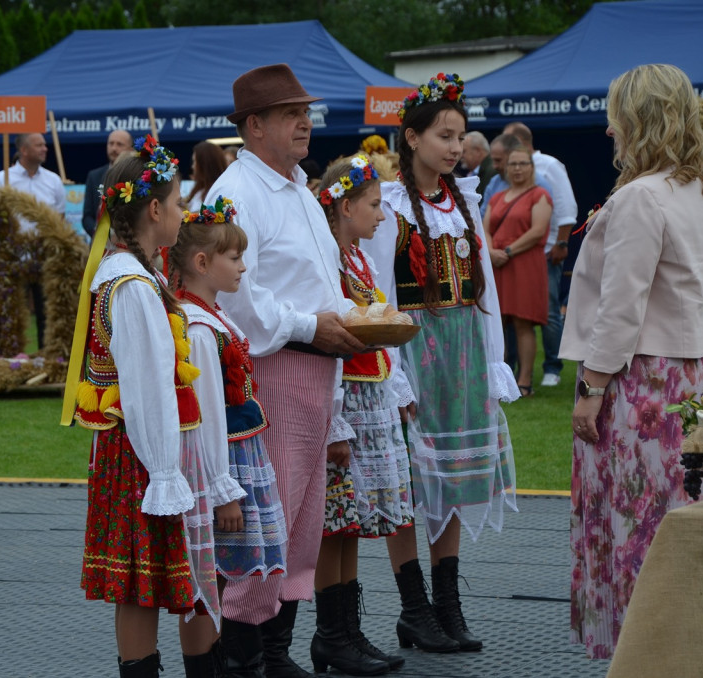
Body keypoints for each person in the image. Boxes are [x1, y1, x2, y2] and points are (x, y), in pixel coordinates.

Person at [560, 63, 703, 660]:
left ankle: (643, 654)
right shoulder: (696, 193)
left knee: (638, 526)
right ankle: (679, 647)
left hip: (643, 383)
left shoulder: (639, 197)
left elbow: (621, 304)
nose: (609, 131)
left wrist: (593, 384)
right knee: (678, 521)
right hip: (691, 378)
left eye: (616, 118)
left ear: (638, 119)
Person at [208, 63, 365, 677]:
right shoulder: (236, 193)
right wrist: (313, 326)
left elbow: (316, 285)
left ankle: (275, 656)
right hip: (269, 371)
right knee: (261, 524)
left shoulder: (299, 187)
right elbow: (236, 297)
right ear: (253, 127)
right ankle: (243, 661)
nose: (306, 122)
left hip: (314, 371)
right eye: (289, 113)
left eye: (306, 111)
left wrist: (361, 317)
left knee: (298, 525)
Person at [360, 73, 519, 655]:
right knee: (409, 479)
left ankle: (448, 604)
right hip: (413, 349)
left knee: (448, 477)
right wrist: (393, 373)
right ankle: (414, 607)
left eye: (460, 136)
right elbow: (377, 293)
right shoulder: (392, 205)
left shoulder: (464, 199)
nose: (455, 147)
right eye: (445, 136)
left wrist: (493, 358)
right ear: (412, 137)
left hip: (462, 351)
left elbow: (487, 291)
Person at [62, 137, 202, 677]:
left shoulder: (125, 273)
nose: (183, 211)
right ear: (153, 209)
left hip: (131, 450)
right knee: (140, 585)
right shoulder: (134, 287)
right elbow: (146, 388)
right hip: (141, 456)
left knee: (137, 584)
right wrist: (165, 471)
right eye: (178, 202)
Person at [168, 196, 289, 677]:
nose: (243, 266)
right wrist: (222, 491)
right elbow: (204, 417)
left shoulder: (211, 317)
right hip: (222, 464)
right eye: (234, 258)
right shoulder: (197, 327)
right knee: (209, 573)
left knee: (217, 573)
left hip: (238, 458)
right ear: (202, 262)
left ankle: (225, 663)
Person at [311, 154, 411, 676]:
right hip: (343, 395)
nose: (380, 215)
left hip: (368, 393)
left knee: (352, 520)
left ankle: (347, 631)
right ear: (345, 205)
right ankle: (332, 633)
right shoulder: (328, 256)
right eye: (373, 205)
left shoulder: (357, 257)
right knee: (336, 518)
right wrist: (336, 421)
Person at [503, 121, 578, 388]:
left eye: (509, 140)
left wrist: (561, 242)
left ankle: (553, 366)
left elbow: (567, 207)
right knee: (515, 314)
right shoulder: (507, 170)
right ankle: (511, 369)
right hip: (514, 257)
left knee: (548, 312)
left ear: (522, 141)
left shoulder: (549, 165)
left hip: (546, 252)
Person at [484, 147, 552, 396]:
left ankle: (524, 381)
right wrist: (490, 253)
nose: (517, 168)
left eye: (523, 163)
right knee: (496, 323)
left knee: (524, 323)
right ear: (505, 168)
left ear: (532, 167)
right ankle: (499, 382)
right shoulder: (496, 197)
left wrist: (508, 251)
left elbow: (537, 231)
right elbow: (486, 229)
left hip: (524, 264)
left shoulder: (540, 194)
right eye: (513, 164)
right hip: (497, 264)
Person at [0, 133, 66, 349]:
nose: (45, 148)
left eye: (45, 144)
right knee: (10, 311)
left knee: (46, 312)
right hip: (11, 256)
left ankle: (47, 356)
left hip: (43, 256)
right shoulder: (1, 180)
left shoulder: (53, 181)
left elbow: (59, 220)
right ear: (23, 150)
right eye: (39, 145)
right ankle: (10, 359)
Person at [83, 129, 133, 237]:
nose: (114, 148)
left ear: (130, 149)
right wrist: (101, 233)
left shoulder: (135, 176)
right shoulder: (94, 176)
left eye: (119, 144)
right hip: (100, 245)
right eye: (111, 143)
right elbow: (87, 216)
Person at [185, 141, 229, 211]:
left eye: (194, 161)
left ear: (204, 164)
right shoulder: (200, 189)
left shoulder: (219, 193)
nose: (192, 166)